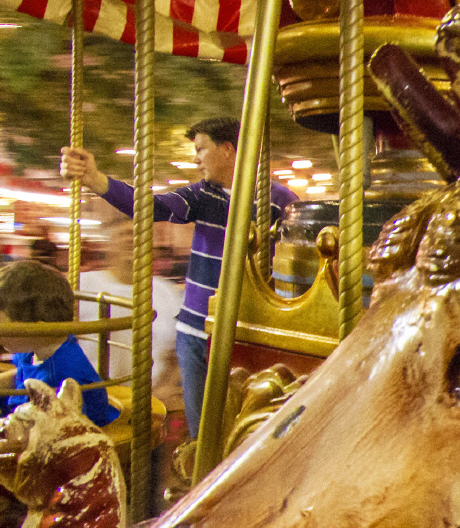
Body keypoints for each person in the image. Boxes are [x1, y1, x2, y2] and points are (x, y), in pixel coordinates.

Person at [62, 118, 297, 437]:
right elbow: (151, 206)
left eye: (201, 149)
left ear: (227, 150)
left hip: (247, 325)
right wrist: (96, 179)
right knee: (202, 428)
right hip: (195, 328)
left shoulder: (279, 200)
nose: (196, 158)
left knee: (250, 423)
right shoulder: (201, 196)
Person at [78, 220, 185, 412]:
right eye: (123, 234)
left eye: (138, 234)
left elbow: (177, 352)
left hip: (147, 402)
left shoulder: (166, 292)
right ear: (108, 243)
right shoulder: (83, 286)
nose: (131, 239)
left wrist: (164, 387)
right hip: (90, 398)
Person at [0, 260, 119, 428]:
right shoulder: (33, 349)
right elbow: (20, 374)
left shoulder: (63, 375)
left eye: (4, 326)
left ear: (37, 327)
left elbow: (54, 431)